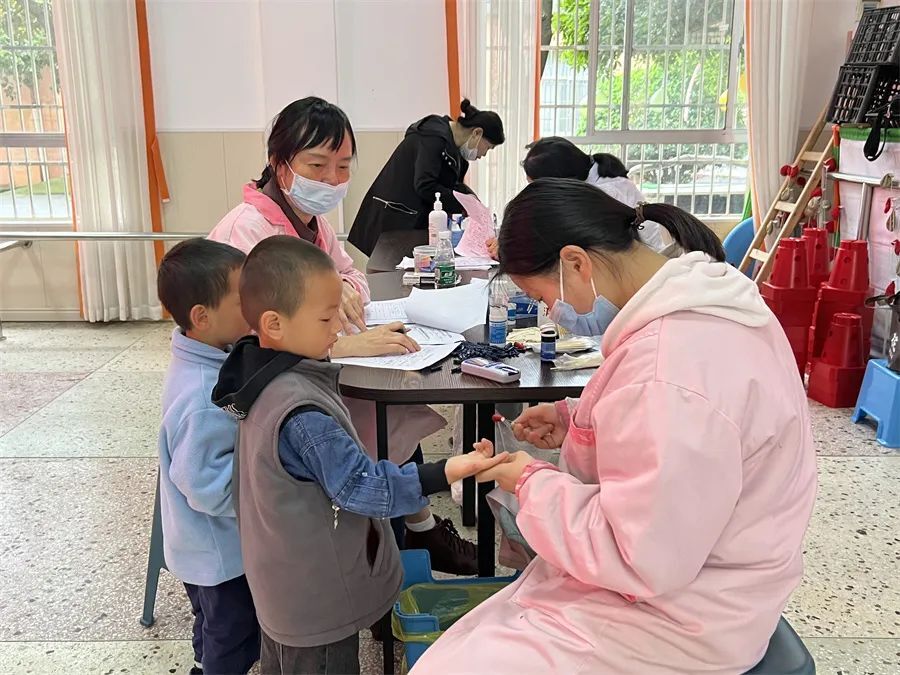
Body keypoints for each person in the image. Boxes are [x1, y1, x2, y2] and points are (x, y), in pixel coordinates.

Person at [411, 179, 817, 674]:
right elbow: (675, 440)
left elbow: (638, 555)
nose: (551, 312)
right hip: (705, 576)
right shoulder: (711, 302)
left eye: (541, 296)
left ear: (575, 263)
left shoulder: (668, 371)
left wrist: (530, 481)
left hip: (684, 615)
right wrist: (579, 419)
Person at [211, 236, 508, 675]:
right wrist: (449, 469)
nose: (339, 326)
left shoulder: (257, 379)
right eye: (326, 317)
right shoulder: (301, 413)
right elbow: (363, 488)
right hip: (316, 598)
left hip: (282, 583)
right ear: (274, 324)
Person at [209, 97, 477, 574]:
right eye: (317, 166)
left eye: (343, 167)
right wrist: (340, 344)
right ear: (279, 163)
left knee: (391, 403)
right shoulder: (246, 231)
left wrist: (344, 292)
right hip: (258, 389)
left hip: (305, 366)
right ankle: (398, 537)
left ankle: (413, 530)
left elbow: (352, 275)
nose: (332, 180)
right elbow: (254, 332)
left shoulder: (310, 221)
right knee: (381, 413)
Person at [156, 239, 259, 675]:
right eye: (242, 300)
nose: (254, 306)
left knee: (215, 628)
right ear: (202, 317)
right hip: (219, 556)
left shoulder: (213, 358)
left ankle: (204, 663)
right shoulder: (202, 396)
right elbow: (207, 488)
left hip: (211, 549)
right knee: (232, 636)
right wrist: (270, 486)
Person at [348, 99, 505, 256]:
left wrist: (473, 202)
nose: (484, 154)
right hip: (394, 220)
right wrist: (464, 204)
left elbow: (454, 185)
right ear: (477, 133)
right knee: (391, 267)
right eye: (488, 147)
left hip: (412, 220)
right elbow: (425, 186)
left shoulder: (455, 150)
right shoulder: (432, 138)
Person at [486, 137, 666, 259]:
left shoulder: (605, 194)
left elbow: (559, 238)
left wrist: (512, 247)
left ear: (559, 180)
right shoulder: (592, 178)